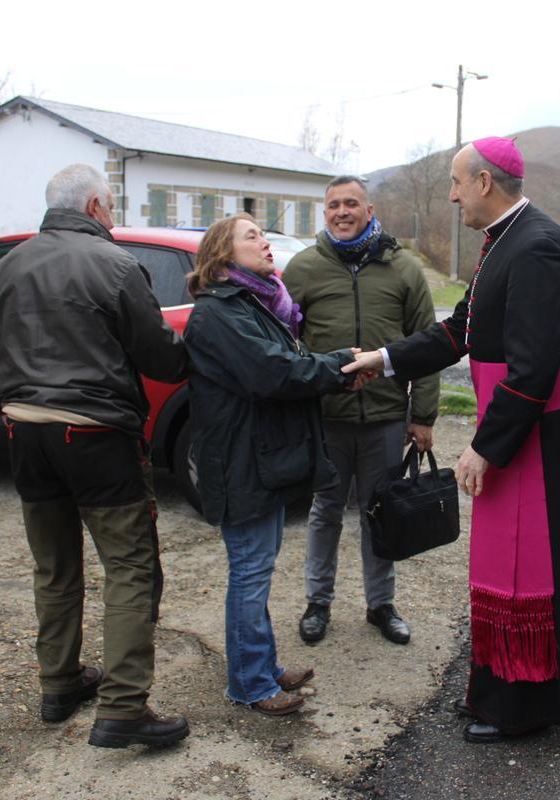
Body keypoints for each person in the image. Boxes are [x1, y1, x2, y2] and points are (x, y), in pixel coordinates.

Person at [343, 138, 560, 743]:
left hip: (539, 436)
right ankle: (498, 693)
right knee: (500, 564)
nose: (452, 194)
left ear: (485, 182)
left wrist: (485, 445)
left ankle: (528, 707)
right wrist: (382, 359)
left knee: (531, 568)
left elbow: (533, 368)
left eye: (457, 183)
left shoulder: (538, 247)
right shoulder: (504, 242)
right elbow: (458, 329)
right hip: (519, 427)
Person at [0, 164, 190, 748]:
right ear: (94, 207)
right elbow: (160, 358)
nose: (111, 215)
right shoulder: (114, 265)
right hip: (97, 437)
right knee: (130, 568)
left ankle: (59, 683)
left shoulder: (7, 265)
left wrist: (8, 401)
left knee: (54, 566)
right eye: (109, 206)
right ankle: (125, 707)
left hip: (26, 435)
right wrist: (189, 352)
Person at [183, 213, 359, 716]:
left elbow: (281, 365)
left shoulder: (252, 305)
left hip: (258, 462)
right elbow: (272, 371)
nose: (264, 241)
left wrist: (332, 369)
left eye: (262, 233)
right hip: (240, 465)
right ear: (223, 254)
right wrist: (341, 365)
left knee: (256, 570)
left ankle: (260, 666)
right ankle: (250, 684)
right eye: (251, 235)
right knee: (250, 573)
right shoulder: (218, 313)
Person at [281, 176, 440, 646]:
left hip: (387, 418)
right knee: (325, 509)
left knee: (380, 512)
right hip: (325, 418)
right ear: (324, 213)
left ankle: (380, 604)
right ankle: (318, 602)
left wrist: (423, 415)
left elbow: (429, 346)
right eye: (333, 205)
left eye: (351, 203)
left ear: (370, 210)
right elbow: (282, 343)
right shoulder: (304, 269)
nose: (342, 212)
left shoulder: (404, 269)